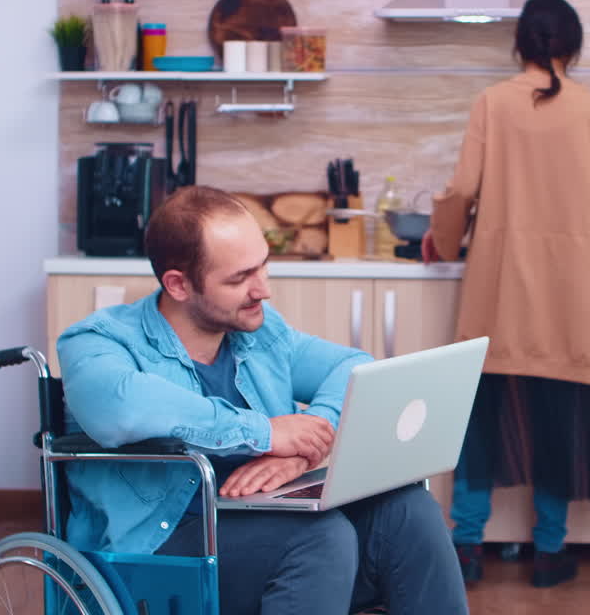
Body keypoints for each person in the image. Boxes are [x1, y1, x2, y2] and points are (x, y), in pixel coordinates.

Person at [58, 185, 469, 615]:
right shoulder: (98, 341)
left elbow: (353, 367)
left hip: (264, 531)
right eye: (239, 278)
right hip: (157, 553)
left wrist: (303, 451)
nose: (263, 290)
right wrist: (265, 433)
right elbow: (121, 408)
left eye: (262, 267)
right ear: (178, 285)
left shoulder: (261, 333)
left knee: (409, 511)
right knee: (321, 537)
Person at [422, 0, 590, 588]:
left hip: (501, 296)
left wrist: (441, 240)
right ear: (573, 48)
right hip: (571, 299)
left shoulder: (492, 104)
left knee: (481, 423)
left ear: (519, 44)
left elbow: (462, 189)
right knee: (559, 425)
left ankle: (466, 549)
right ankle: (549, 553)